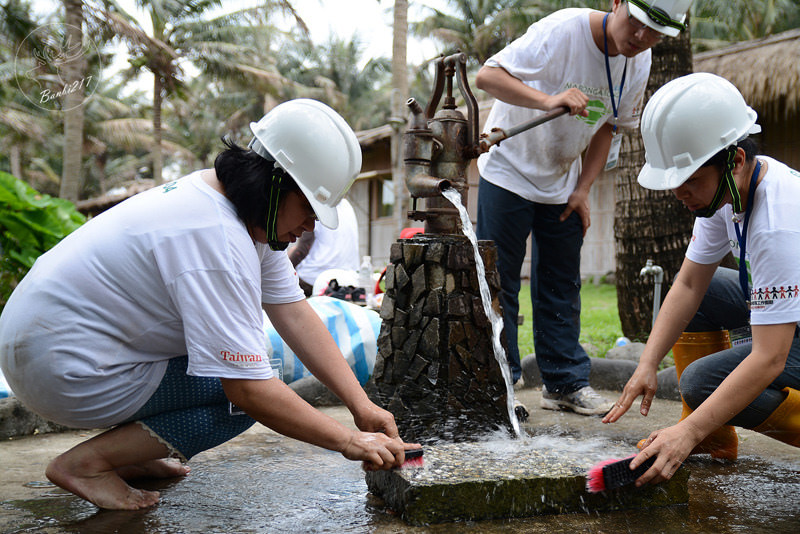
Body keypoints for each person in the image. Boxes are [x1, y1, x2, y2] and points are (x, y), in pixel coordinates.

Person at [0, 99, 419, 511]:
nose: (311, 225)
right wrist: (347, 440)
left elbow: (293, 311)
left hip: (45, 345)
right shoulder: (215, 236)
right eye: (309, 207)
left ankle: (132, 451)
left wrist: (361, 406)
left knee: (252, 367)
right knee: (245, 394)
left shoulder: (237, 208)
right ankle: (87, 465)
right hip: (60, 366)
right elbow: (248, 389)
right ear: (274, 183)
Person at [475, 0, 692, 415]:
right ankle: (499, 383)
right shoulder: (563, 30)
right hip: (507, 170)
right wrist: (546, 99)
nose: (642, 39)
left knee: (561, 283)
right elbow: (488, 75)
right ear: (616, 3)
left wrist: (583, 188)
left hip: (562, 182)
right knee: (499, 281)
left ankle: (564, 383)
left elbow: (609, 125)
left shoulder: (638, 60)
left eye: (656, 34)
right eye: (638, 24)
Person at [603, 73, 800, 486]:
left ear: (735, 160)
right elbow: (690, 285)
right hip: (790, 314)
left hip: (788, 334)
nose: (679, 193)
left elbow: (769, 358)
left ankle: (696, 433)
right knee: (707, 289)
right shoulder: (726, 194)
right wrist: (647, 363)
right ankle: (713, 439)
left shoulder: (778, 224)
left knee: (701, 381)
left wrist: (685, 432)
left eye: (689, 179)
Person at [289, 197, 360, 297]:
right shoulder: (346, 204)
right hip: (349, 279)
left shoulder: (317, 203)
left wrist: (284, 266)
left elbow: (302, 250)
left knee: (279, 285)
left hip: (315, 278)